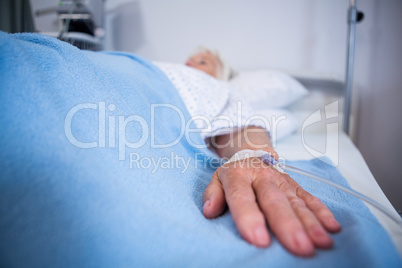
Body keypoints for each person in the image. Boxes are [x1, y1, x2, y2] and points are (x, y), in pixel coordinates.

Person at [178, 48, 342, 256]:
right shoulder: (166, 72)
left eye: (203, 62)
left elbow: (237, 126)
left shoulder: (218, 90)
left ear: (221, 76)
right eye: (189, 60)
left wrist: (249, 155)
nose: (190, 64)